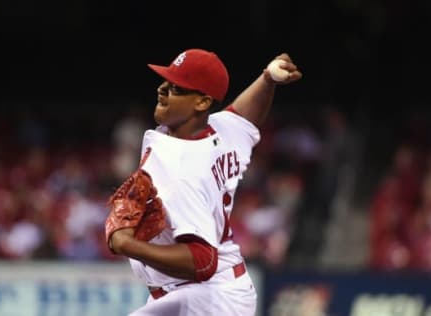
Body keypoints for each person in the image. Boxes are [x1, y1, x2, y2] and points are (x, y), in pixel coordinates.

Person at [107, 48, 302, 315]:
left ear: (201, 103)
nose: (162, 89)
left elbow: (202, 260)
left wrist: (127, 245)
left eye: (176, 88)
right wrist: (267, 80)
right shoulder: (219, 130)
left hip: (204, 297)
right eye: (166, 82)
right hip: (216, 292)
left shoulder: (179, 169)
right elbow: (245, 116)